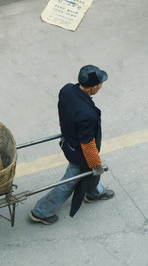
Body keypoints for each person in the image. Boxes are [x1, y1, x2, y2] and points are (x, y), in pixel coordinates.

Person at [29, 64, 114, 225]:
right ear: (94, 87)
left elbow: (61, 111)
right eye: (101, 83)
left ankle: (95, 192)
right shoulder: (87, 115)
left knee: (89, 174)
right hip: (79, 153)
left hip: (68, 142)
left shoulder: (67, 90)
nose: (102, 85)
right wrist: (96, 165)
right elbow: (88, 144)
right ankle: (41, 211)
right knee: (72, 180)